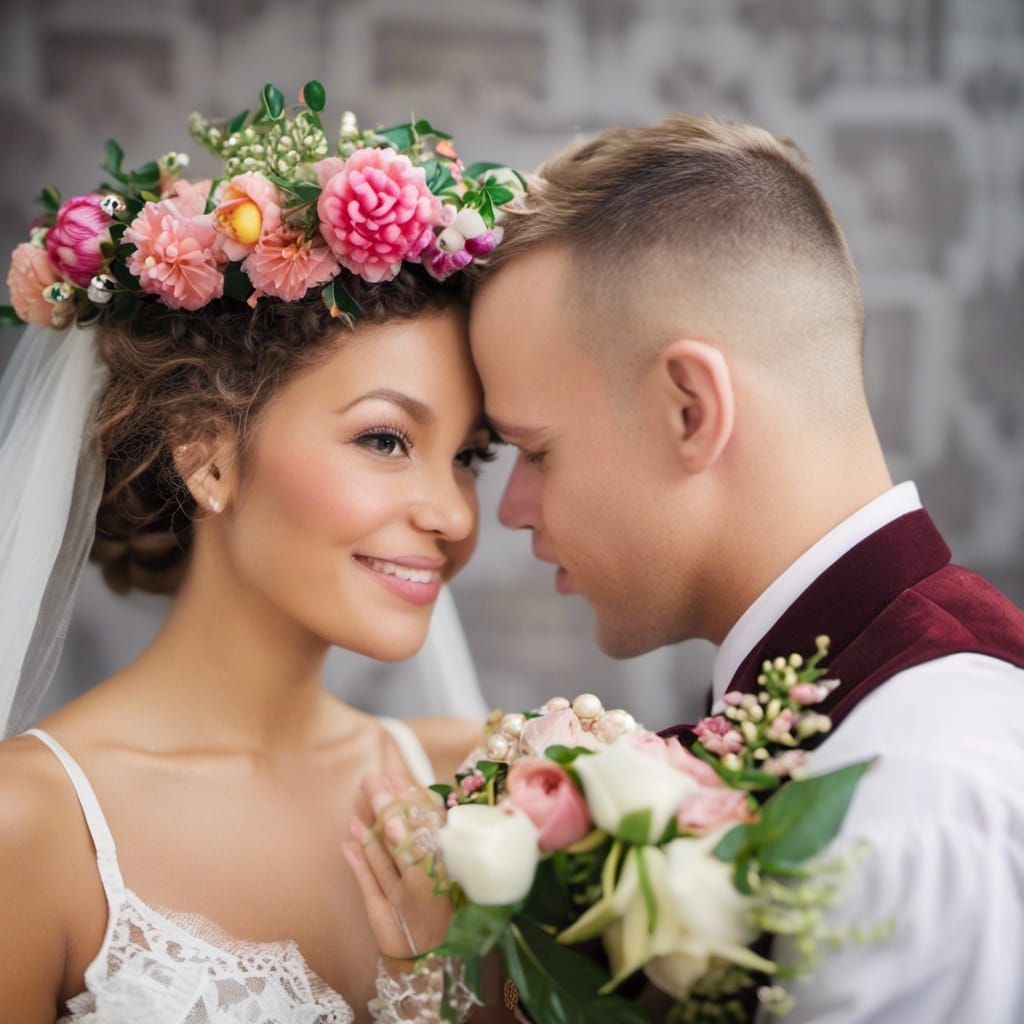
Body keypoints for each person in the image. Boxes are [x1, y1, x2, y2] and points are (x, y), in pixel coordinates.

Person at [467, 116, 1024, 1023]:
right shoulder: (897, 736)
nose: (510, 509)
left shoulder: (911, 809)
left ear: (689, 409)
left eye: (536, 450)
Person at [0, 91, 515, 1024]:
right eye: (386, 439)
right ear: (207, 453)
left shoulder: (479, 784)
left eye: (470, 457)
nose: (451, 514)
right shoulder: (30, 826)